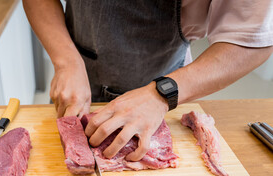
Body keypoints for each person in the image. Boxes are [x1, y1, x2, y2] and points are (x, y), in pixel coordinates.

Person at [23, 0, 273, 161]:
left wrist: (162, 93)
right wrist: (66, 61)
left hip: (169, 87)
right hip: (76, 86)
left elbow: (252, 38)